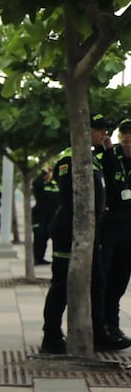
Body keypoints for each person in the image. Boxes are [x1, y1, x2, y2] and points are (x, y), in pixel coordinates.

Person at [41, 114, 126, 354]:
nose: (104, 134)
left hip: (90, 233)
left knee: (96, 283)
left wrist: (108, 149)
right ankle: (51, 337)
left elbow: (108, 178)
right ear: (84, 130)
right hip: (70, 233)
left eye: (106, 130)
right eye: (100, 130)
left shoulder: (93, 158)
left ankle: (99, 333)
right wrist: (79, 235)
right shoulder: (71, 159)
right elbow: (70, 202)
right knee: (61, 286)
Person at [100, 118, 131, 340]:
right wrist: (109, 151)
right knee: (104, 275)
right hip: (110, 224)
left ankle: (113, 323)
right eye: (125, 136)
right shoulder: (110, 156)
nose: (128, 140)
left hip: (129, 226)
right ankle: (101, 325)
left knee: (121, 277)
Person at [32, 167, 59, 264]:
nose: (48, 174)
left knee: (51, 235)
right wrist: (43, 172)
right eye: (47, 173)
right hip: (40, 214)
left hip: (52, 214)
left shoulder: (55, 184)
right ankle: (37, 258)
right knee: (40, 236)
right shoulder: (40, 184)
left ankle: (45, 258)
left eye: (50, 173)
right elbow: (35, 183)